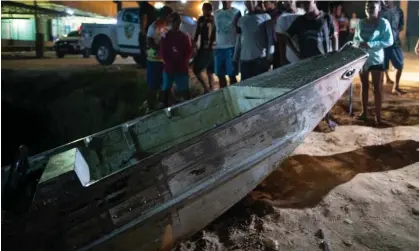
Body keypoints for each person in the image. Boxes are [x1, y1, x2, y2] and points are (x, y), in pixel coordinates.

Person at [286, 0, 339, 130]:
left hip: (324, 63)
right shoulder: (300, 21)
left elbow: (334, 36)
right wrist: (297, 52)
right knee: (309, 93)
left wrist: (335, 55)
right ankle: (311, 122)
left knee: (326, 92)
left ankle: (327, 118)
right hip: (307, 63)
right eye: (303, 3)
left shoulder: (326, 18)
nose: (304, 5)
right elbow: (286, 36)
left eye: (307, 2)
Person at [353, 0, 393, 126]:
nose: (369, 8)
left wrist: (371, 44)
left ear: (379, 8)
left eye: (372, 6)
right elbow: (355, 39)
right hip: (362, 59)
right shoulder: (360, 23)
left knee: (377, 88)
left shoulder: (383, 23)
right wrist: (357, 44)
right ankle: (364, 113)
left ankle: (378, 116)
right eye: (367, 6)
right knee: (364, 86)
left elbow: (389, 41)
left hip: (376, 59)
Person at [160, 12, 193, 108]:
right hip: (170, 67)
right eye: (175, 21)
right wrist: (169, 63)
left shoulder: (184, 36)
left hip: (181, 68)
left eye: (179, 22)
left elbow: (188, 52)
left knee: (185, 91)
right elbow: (163, 52)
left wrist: (183, 63)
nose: (177, 24)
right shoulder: (165, 36)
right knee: (166, 91)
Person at [234, 0, 274, 81]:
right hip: (244, 60)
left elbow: (270, 39)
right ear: (245, 3)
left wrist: (269, 58)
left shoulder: (265, 17)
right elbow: (239, 40)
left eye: (253, 1)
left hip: (260, 59)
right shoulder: (241, 20)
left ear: (256, 2)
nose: (251, 3)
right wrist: (235, 58)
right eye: (248, 1)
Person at [145, 6, 173, 110]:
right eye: (169, 16)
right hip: (154, 61)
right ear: (164, 16)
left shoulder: (166, 27)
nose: (170, 19)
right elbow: (149, 41)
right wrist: (159, 50)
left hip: (164, 61)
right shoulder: (154, 27)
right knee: (153, 86)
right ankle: (150, 107)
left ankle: (167, 106)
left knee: (166, 85)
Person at [213, 1, 241, 88]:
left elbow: (239, 29)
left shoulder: (236, 12)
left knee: (231, 75)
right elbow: (215, 29)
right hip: (218, 48)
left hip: (231, 47)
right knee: (220, 75)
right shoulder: (216, 13)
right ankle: (224, 96)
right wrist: (212, 44)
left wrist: (239, 46)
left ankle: (235, 96)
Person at [381, 0, 405, 95]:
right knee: (382, 66)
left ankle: (396, 87)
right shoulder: (379, 11)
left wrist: (393, 33)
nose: (385, 1)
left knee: (400, 65)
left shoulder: (399, 11)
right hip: (382, 44)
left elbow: (401, 26)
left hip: (395, 43)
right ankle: (381, 87)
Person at [193, 2, 215, 93]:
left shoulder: (207, 20)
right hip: (209, 48)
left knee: (197, 69)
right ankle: (210, 89)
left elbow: (198, 33)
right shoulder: (203, 19)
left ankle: (208, 89)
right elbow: (197, 32)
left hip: (207, 48)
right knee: (209, 71)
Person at [275, 0, 305, 67]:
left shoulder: (303, 12)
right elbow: (281, 40)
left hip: (307, 55)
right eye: (285, 1)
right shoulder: (281, 18)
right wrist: (282, 59)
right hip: (291, 58)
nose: (287, 2)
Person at [139, 1, 157, 67]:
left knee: (143, 47)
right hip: (153, 30)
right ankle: (150, 62)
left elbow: (144, 18)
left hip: (146, 30)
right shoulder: (151, 7)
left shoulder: (143, 7)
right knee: (150, 48)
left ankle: (144, 64)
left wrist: (143, 30)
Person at [264, 1, 282, 69]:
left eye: (266, 2)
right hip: (267, 44)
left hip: (277, 43)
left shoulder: (279, 14)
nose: (264, 3)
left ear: (273, 3)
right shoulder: (264, 14)